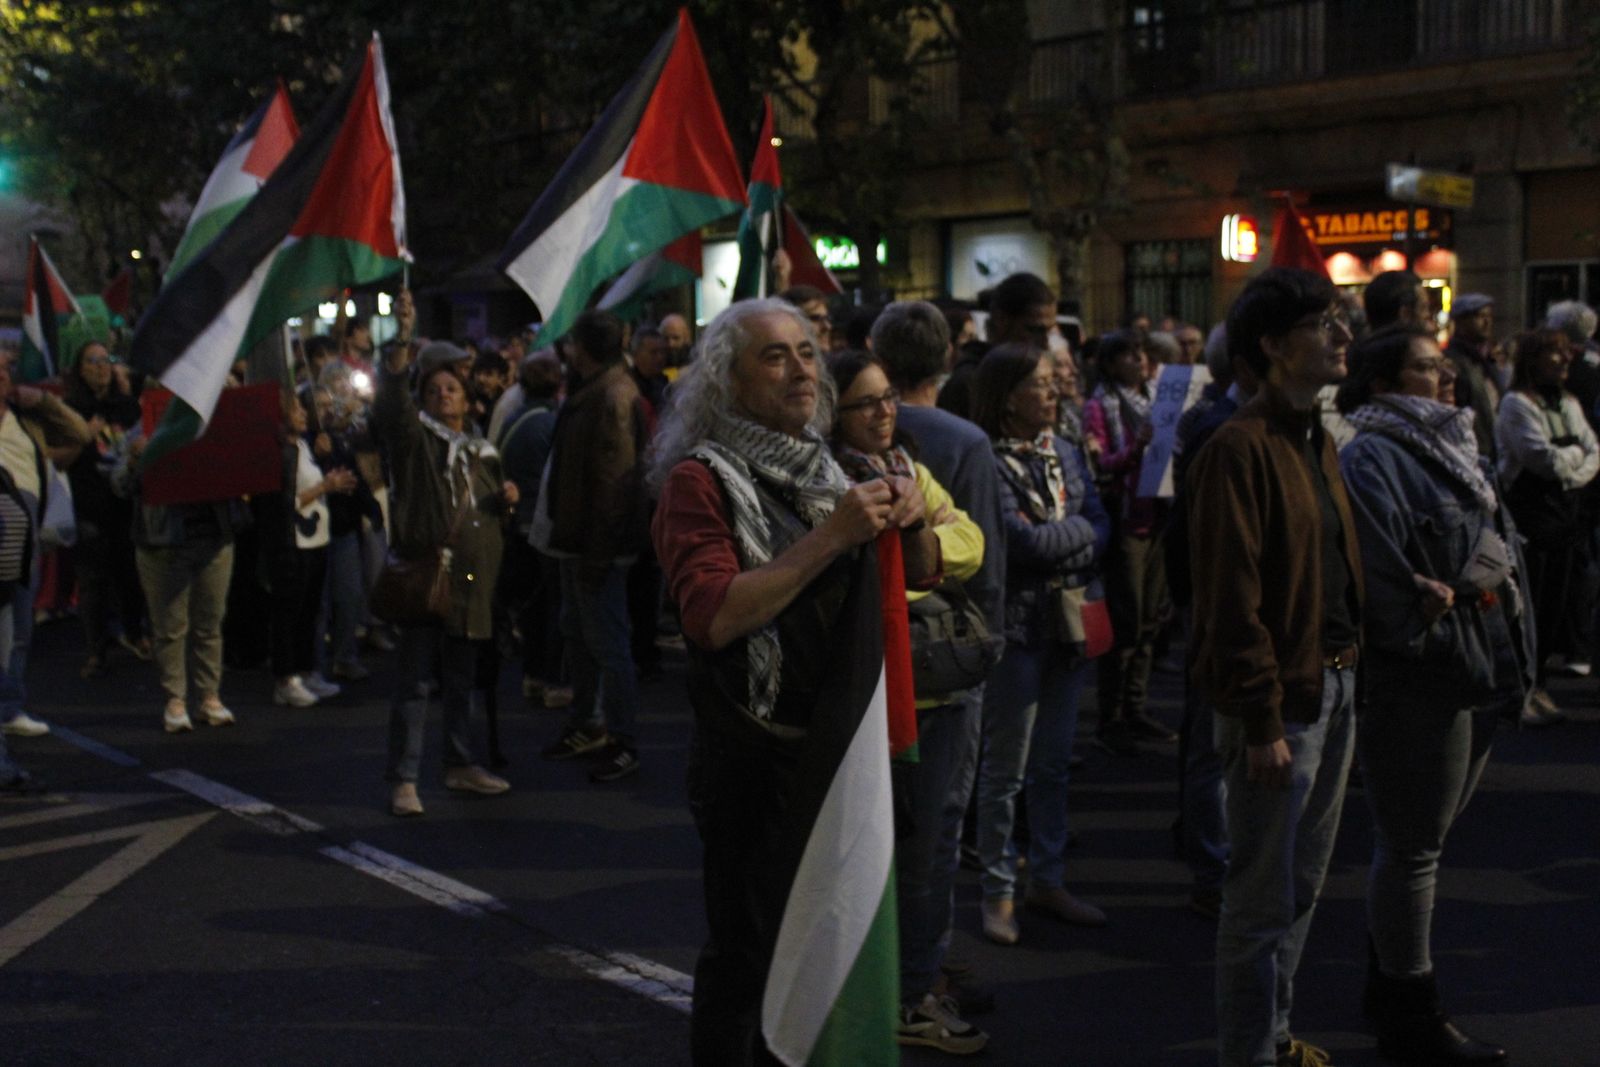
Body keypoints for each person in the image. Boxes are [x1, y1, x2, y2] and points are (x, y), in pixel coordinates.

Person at [652, 297, 933, 1065]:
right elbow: (711, 615)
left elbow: (925, 574)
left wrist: (911, 519)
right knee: (750, 962)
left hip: (841, 747)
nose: (801, 368)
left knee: (826, 961)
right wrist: (833, 535)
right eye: (774, 355)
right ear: (726, 380)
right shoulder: (698, 480)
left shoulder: (834, 464)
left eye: (807, 351)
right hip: (758, 760)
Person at [1187, 266, 1362, 1067]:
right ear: (1271, 344)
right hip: (1282, 704)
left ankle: (1277, 1035)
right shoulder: (1239, 447)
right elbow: (1231, 596)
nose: (1343, 336)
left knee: (1302, 886)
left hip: (1334, 684)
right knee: (1260, 901)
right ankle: (1250, 1052)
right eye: (1323, 323)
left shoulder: (1316, 438)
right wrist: (1260, 717)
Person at [1337, 325, 1526, 1065]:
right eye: (1426, 367)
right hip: (1426, 676)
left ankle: (1387, 979)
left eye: (1444, 365)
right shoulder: (1371, 457)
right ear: (1383, 383)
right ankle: (1411, 1012)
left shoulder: (1457, 450)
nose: (1445, 377)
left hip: (1475, 664)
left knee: (1425, 840)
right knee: (1413, 845)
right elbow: (1388, 592)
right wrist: (1441, 631)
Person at [829, 348, 990, 1054]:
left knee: (936, 840)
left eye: (888, 395)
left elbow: (970, 541)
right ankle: (903, 994)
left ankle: (915, 978)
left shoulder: (907, 469)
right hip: (879, 691)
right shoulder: (832, 477)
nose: (884, 411)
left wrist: (921, 533)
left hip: (935, 684)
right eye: (865, 403)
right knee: (908, 850)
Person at [873, 300, 1007, 1019]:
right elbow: (983, 561)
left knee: (901, 834)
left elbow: (968, 539)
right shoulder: (963, 441)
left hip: (893, 666)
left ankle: (912, 963)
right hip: (945, 663)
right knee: (935, 831)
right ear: (951, 356)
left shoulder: (905, 450)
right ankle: (918, 977)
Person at [971, 341, 1111, 946]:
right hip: (1020, 625)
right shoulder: (988, 461)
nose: (1054, 393)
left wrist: (1064, 535)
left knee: (1052, 764)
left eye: (1055, 383)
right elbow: (1019, 545)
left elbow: (1102, 522)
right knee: (1007, 769)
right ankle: (997, 889)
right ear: (1007, 399)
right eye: (1041, 384)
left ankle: (1047, 879)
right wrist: (1073, 536)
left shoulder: (1065, 452)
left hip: (1068, 622)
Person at [371, 294, 515, 817]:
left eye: (451, 388)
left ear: (465, 398)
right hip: (426, 577)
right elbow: (392, 410)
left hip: (473, 584)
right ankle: (403, 778)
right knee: (415, 683)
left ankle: (459, 765)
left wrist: (503, 504)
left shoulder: (482, 451)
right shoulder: (416, 445)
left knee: (460, 682)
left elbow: (486, 513)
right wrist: (403, 342)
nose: (443, 396)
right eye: (432, 391)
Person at [533, 310, 651, 782]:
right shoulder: (599, 389)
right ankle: (588, 723)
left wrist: (598, 555)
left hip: (592, 544)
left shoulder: (611, 396)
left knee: (607, 641)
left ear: (581, 348)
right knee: (580, 634)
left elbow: (614, 484)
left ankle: (623, 740)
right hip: (577, 540)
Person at [1495, 329, 1599, 725]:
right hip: (1532, 521)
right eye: (1553, 353)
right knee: (1530, 607)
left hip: (1564, 518)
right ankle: (1521, 688)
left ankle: (1538, 685)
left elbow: (1592, 454)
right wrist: (1575, 462)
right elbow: (1542, 460)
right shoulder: (1516, 404)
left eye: (1564, 353)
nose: (1563, 360)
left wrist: (1571, 468)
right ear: (1533, 359)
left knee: (1554, 609)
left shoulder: (1568, 402)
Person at [1083, 330, 1176, 755]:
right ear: (1109, 363)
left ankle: (1135, 707)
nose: (1137, 362)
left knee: (1151, 618)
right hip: (1128, 521)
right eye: (1126, 355)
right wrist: (1135, 451)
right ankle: (1112, 715)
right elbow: (1100, 462)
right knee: (1127, 620)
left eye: (1140, 354)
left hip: (1158, 515)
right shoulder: (1101, 406)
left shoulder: (1156, 399)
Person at [0, 353, 93, 738]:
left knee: (18, 631)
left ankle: (8, 708)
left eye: (5, 370)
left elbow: (80, 435)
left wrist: (43, 402)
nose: (3, 377)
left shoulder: (24, 422)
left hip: (23, 544)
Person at [63, 341, 148, 678]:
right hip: (89, 506)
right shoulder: (70, 409)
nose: (100, 367)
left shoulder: (125, 407)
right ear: (80, 369)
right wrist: (84, 437)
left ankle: (135, 632)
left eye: (106, 360)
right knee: (93, 582)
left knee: (130, 575)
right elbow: (57, 457)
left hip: (124, 505)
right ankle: (96, 649)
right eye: (92, 361)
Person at [266, 393, 355, 707]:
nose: (303, 413)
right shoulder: (281, 452)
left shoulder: (303, 445)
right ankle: (285, 678)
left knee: (308, 610)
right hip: (294, 542)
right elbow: (285, 502)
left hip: (315, 539)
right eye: (295, 408)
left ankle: (306, 671)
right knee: (289, 612)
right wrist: (324, 487)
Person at [938, 272, 1055, 421]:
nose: (1045, 343)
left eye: (1048, 332)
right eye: (1034, 330)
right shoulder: (970, 384)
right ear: (1002, 321)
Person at [1445, 294, 1500, 459]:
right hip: (1473, 452)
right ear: (1461, 322)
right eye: (1480, 316)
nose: (1487, 322)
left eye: (1489, 316)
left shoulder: (1486, 360)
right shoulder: (1453, 361)